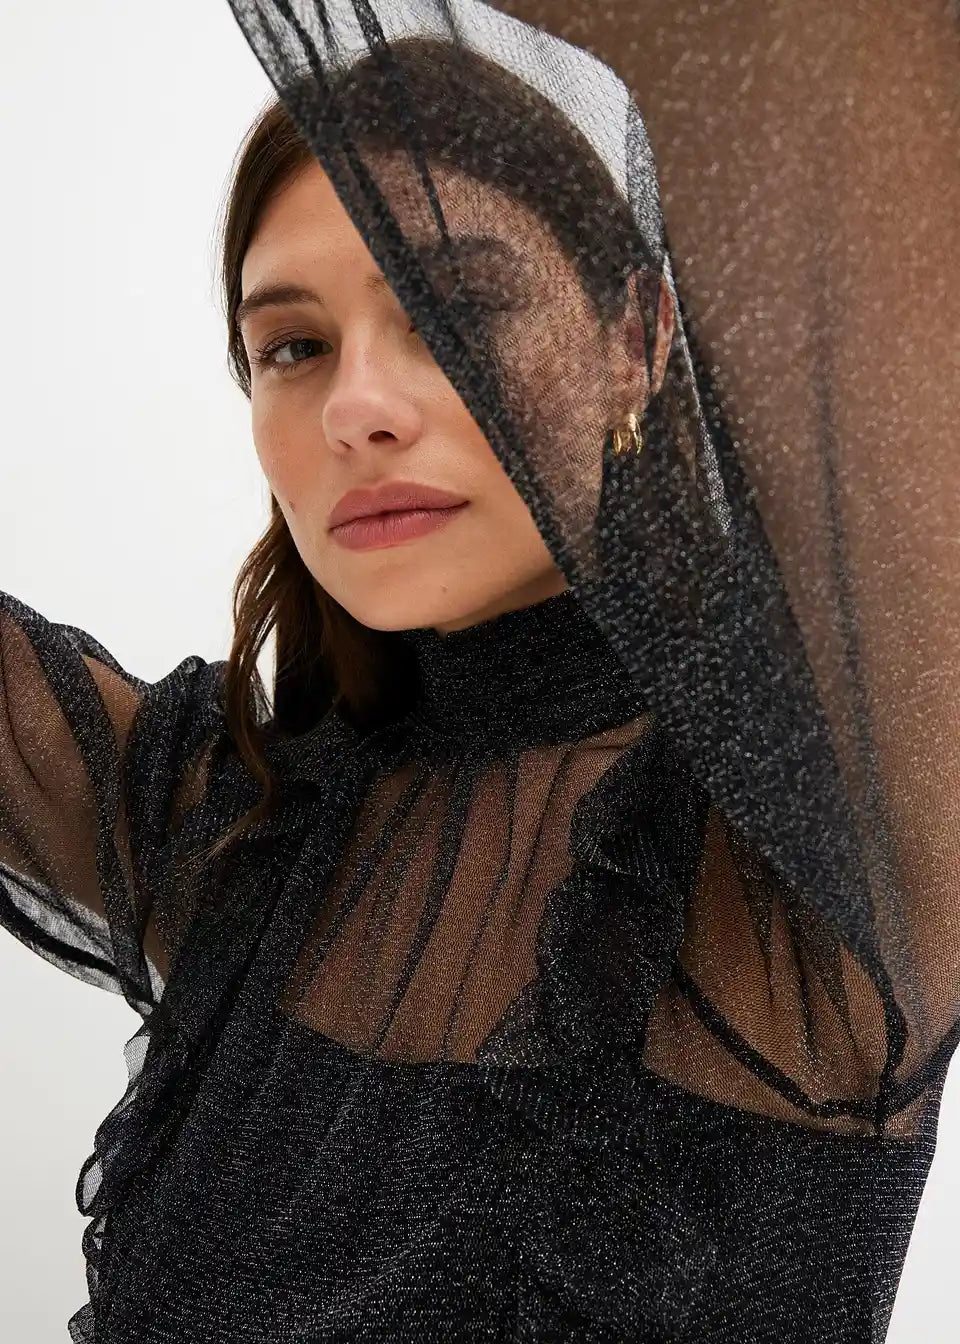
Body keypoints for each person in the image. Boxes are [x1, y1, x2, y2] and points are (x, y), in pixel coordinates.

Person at [1, 5, 957, 1339]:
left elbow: (881, 141)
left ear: (638, 337)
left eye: (454, 307)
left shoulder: (801, 854)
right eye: (293, 346)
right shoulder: (241, 824)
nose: (357, 409)